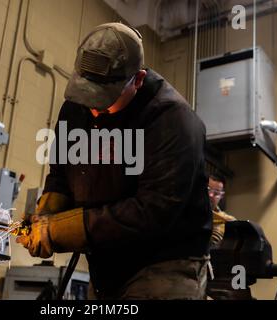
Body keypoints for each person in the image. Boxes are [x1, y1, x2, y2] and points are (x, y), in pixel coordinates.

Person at [17, 22, 212, 300]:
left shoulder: (172, 120)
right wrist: (46, 215)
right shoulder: (77, 107)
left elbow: (151, 212)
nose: (95, 110)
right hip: (107, 263)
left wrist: (59, 231)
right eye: (88, 97)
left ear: (138, 79)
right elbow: (61, 173)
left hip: (165, 263)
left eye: (104, 100)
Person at [208, 174, 236, 247]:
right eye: (207, 189)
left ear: (221, 196)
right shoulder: (186, 213)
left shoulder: (230, 221)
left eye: (216, 193)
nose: (210, 195)